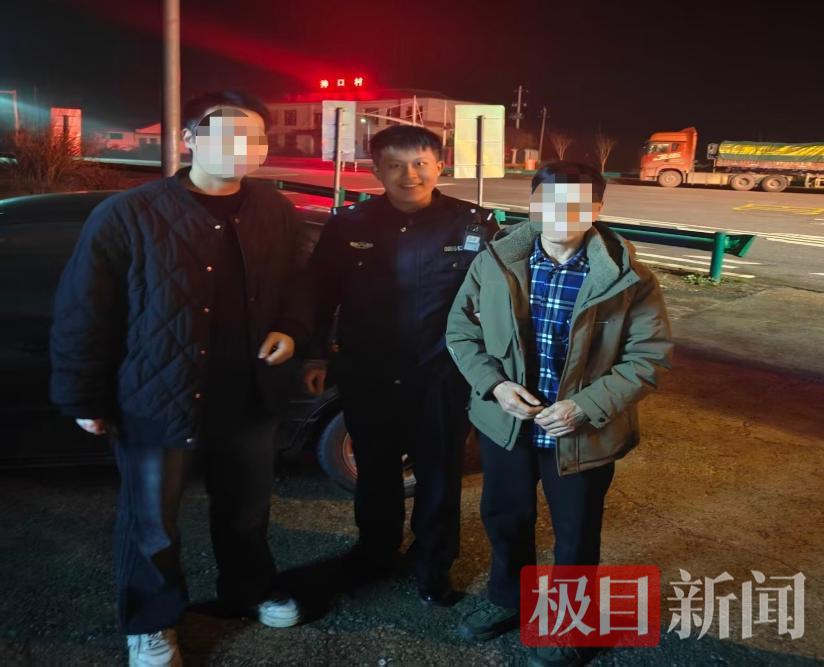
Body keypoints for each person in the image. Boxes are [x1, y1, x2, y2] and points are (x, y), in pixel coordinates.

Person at [50, 90, 314, 667]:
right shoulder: (129, 212)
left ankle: (248, 589)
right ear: (190, 139)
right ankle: (151, 623)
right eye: (228, 135)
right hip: (156, 393)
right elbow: (84, 309)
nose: (243, 147)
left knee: (246, 509)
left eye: (255, 137)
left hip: (247, 392)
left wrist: (292, 329)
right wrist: (81, 395)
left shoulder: (275, 209)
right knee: (151, 521)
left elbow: (300, 281)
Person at [445, 161, 673, 667]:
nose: (560, 213)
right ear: (533, 204)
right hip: (508, 423)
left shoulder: (627, 277)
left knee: (575, 532)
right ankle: (510, 599)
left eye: (576, 204)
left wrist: (585, 407)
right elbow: (461, 330)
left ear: (597, 208)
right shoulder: (496, 261)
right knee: (505, 516)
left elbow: (649, 357)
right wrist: (495, 385)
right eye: (548, 201)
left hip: (581, 432)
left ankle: (573, 627)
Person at [303, 125, 497, 605]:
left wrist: (493, 374)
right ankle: (374, 554)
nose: (408, 175)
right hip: (368, 372)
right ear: (376, 170)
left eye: (419, 164)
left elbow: (496, 303)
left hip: (441, 373)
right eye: (393, 165)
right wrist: (315, 354)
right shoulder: (349, 224)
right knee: (376, 471)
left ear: (439, 166)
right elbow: (319, 295)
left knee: (439, 473)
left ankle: (433, 565)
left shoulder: (473, 224)